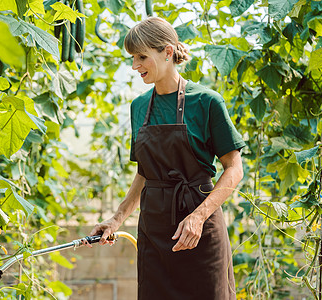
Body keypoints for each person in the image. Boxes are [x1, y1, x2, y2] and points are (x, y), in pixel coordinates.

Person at [89, 17, 245, 300]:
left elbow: (234, 168)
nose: (135, 66)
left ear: (168, 52)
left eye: (141, 57)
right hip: (154, 233)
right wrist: (115, 219)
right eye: (133, 58)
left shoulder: (207, 101)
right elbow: (145, 173)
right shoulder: (139, 107)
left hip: (199, 230)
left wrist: (197, 217)